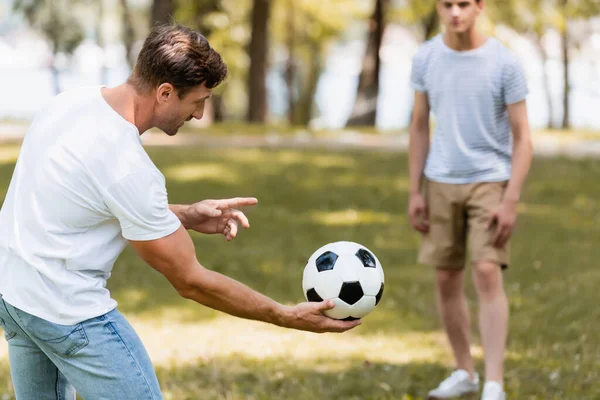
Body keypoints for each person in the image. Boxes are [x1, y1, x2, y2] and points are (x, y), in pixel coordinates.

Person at [0, 24, 360, 399]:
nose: (201, 114)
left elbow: (85, 201)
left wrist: (185, 214)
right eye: (198, 101)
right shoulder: (126, 165)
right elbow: (190, 280)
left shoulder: (69, 104)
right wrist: (283, 315)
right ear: (165, 93)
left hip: (14, 297)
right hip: (66, 313)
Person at [407, 1, 533, 399]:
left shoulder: (504, 63)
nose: (456, 12)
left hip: (489, 180)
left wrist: (510, 199)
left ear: (479, 6)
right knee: (446, 277)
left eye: (464, 3)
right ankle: (465, 372)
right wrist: (415, 191)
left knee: (485, 270)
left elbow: (524, 137)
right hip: (441, 180)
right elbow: (418, 126)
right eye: (447, 4)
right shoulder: (426, 57)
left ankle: (494, 382)